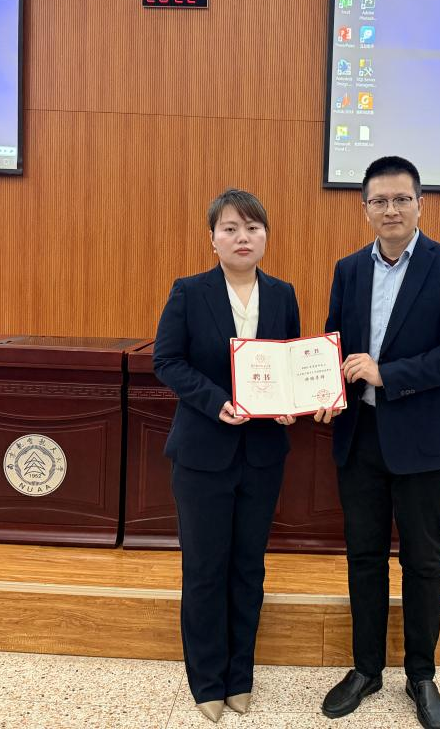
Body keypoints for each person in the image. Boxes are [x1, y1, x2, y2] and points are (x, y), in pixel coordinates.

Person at [315, 156, 440, 729]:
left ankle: (421, 674)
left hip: (425, 443)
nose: (391, 210)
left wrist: (387, 373)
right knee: (363, 556)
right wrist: (324, 387)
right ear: (365, 208)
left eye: (401, 199)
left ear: (420, 204)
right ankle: (366, 669)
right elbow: (335, 345)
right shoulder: (348, 269)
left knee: (423, 561)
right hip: (360, 437)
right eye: (379, 201)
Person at [153, 189, 300, 724]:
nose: (243, 238)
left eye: (253, 228)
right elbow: (167, 361)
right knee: (205, 569)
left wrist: (289, 404)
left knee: (248, 568)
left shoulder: (282, 295)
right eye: (231, 229)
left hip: (262, 456)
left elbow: (287, 364)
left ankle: (241, 677)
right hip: (203, 454)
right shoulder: (190, 292)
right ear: (212, 239)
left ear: (266, 237)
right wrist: (216, 402)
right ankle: (207, 680)